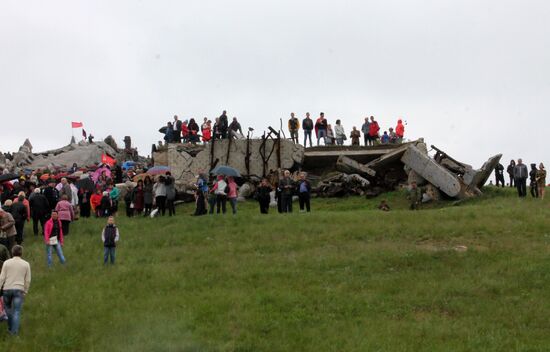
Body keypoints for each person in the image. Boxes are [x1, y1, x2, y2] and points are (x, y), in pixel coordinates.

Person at [0, 245, 31, 335]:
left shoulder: (6, 263)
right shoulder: (26, 264)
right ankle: (14, 332)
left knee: (8, 309)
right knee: (17, 311)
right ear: (21, 253)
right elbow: (28, 280)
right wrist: (25, 291)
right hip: (19, 289)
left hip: (7, 289)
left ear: (12, 253)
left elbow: (2, 278)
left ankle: (10, 328)